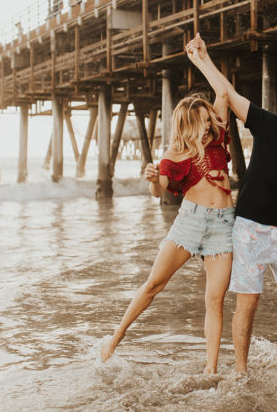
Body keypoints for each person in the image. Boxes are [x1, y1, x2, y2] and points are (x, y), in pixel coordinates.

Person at [186, 34, 277, 374]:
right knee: (247, 306)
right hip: (249, 229)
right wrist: (202, 59)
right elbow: (229, 95)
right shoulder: (268, 125)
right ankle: (241, 371)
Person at [100, 93, 235, 374]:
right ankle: (114, 339)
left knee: (215, 300)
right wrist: (151, 179)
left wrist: (203, 59)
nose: (208, 125)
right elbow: (158, 190)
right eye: (202, 122)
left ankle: (210, 368)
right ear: (186, 124)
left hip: (223, 226)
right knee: (153, 284)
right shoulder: (172, 157)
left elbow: (223, 94)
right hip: (189, 223)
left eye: (209, 119)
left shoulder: (219, 138)